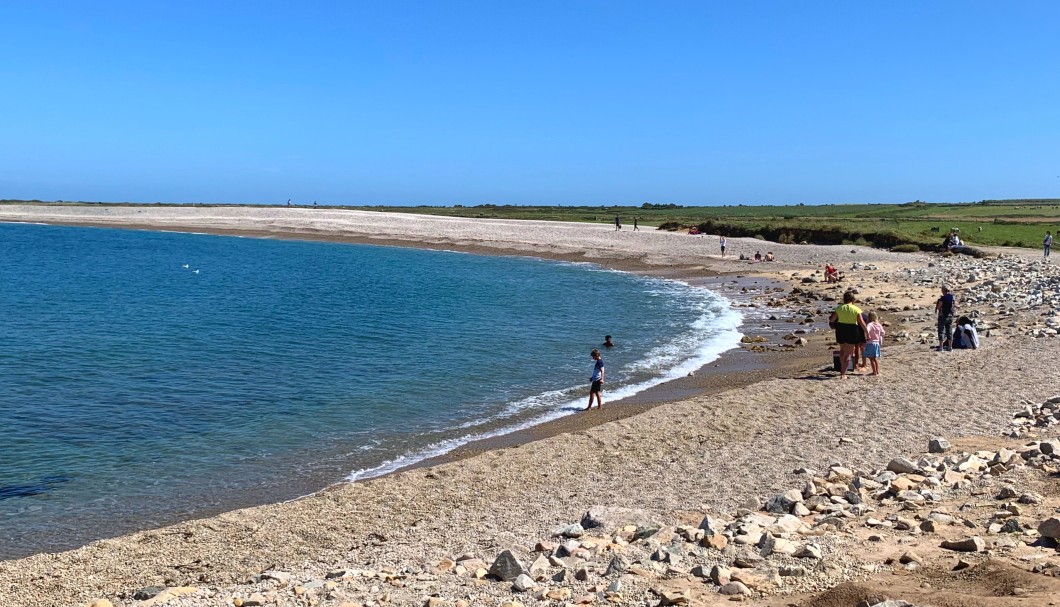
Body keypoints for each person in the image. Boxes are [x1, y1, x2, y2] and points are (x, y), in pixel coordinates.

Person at [829, 291, 868, 380]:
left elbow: (832, 320)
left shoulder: (839, 308)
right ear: (853, 299)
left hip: (841, 329)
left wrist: (835, 325)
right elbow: (862, 323)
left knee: (842, 350)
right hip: (852, 330)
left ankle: (842, 368)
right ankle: (843, 374)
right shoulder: (856, 309)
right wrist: (867, 333)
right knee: (848, 353)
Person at [863, 311, 884, 376]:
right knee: (875, 358)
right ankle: (877, 371)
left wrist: (867, 336)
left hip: (870, 343)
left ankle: (874, 371)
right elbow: (883, 332)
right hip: (877, 343)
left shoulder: (870, 325)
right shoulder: (879, 324)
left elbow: (867, 330)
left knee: (871, 358)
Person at [935, 285, 956, 351]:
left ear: (944, 290)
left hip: (942, 316)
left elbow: (939, 307)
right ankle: (950, 346)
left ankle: (941, 346)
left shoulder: (942, 298)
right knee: (949, 331)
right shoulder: (952, 297)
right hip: (950, 315)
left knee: (941, 330)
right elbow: (953, 306)